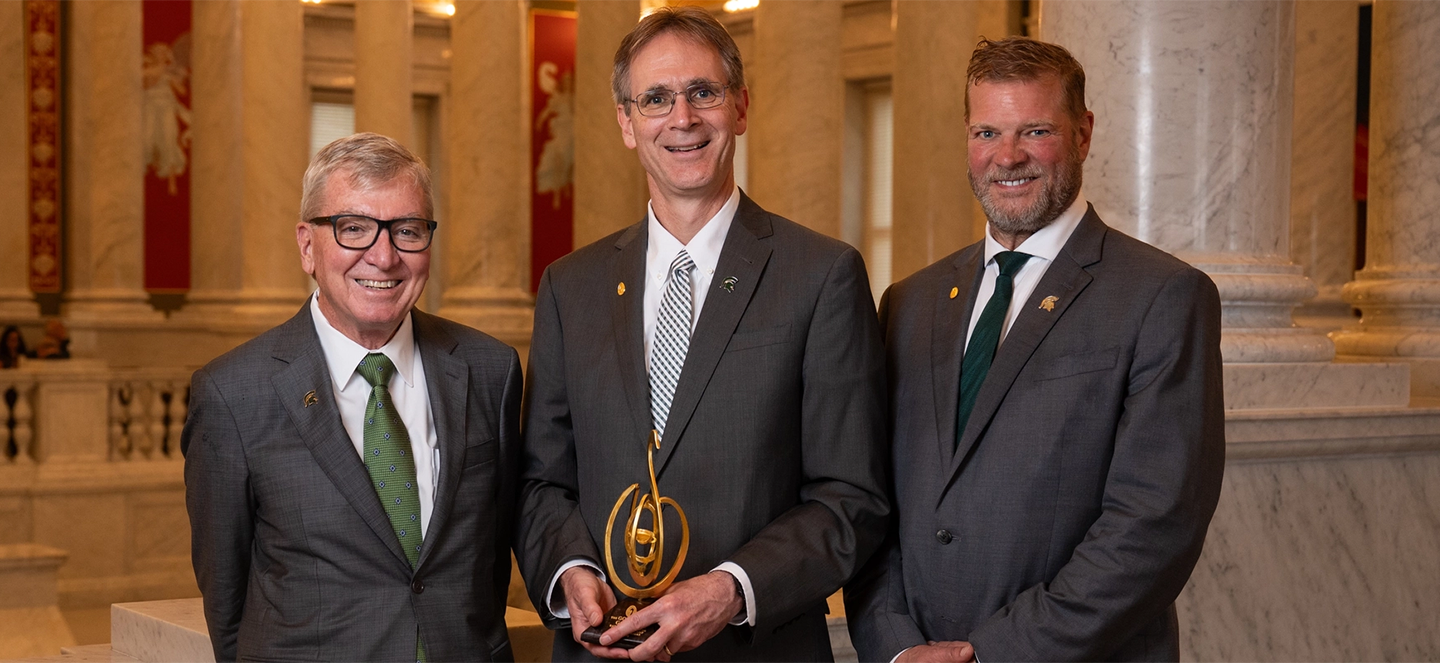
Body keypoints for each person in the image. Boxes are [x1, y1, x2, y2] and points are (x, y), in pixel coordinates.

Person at [516, 7, 889, 661]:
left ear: (740, 107)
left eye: (703, 92)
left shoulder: (822, 275)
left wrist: (731, 588)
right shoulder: (569, 288)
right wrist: (568, 569)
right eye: (655, 98)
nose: (681, 118)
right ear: (626, 123)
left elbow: (851, 497)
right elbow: (543, 481)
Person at [845, 37, 1225, 662]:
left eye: (1036, 130)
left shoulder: (1163, 296)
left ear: (1083, 133)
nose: (1008, 156)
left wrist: (989, 654)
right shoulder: (907, 303)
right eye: (987, 132)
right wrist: (893, 645)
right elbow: (870, 500)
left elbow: (1155, 526)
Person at [183, 133, 522, 662]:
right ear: (306, 245)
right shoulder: (232, 394)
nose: (384, 257)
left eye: (407, 230)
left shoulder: (491, 370)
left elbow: (491, 560)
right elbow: (226, 597)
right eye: (354, 229)